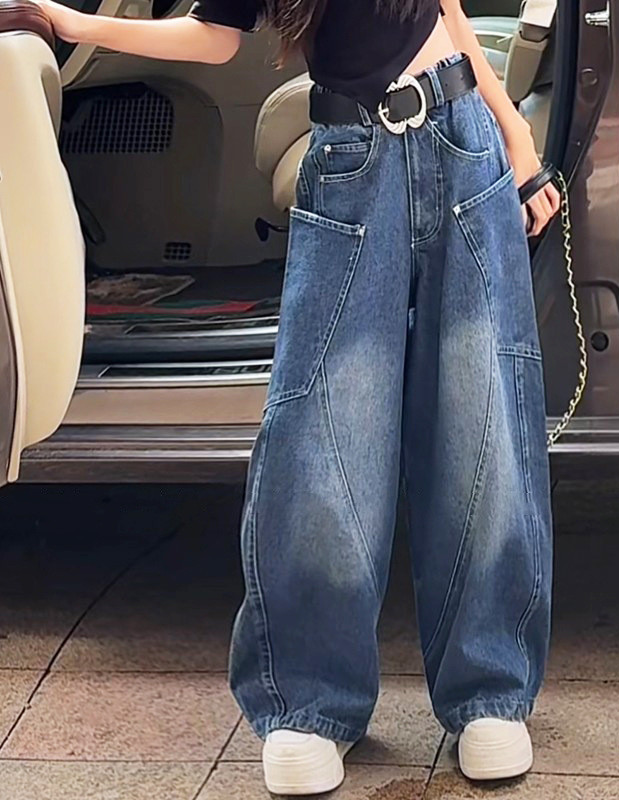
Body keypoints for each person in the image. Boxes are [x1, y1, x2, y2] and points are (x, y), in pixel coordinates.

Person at [36, 0, 558, 793]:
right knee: (325, 431)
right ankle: (310, 704)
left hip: (465, 144)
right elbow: (214, 37)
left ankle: (490, 692)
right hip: (350, 161)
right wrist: (73, 25)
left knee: (481, 415)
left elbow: (450, 12)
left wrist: (518, 142)